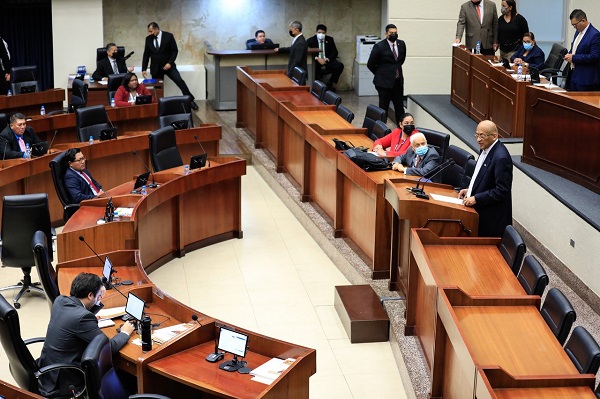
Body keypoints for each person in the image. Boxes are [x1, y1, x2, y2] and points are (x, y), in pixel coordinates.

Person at [37, 273, 135, 396]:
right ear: (90, 295)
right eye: (99, 296)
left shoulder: (60, 300)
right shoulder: (83, 318)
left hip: (48, 371)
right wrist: (125, 332)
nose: (100, 299)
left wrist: (97, 299)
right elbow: (109, 347)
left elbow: (83, 313)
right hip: (66, 378)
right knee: (126, 377)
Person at [459, 120, 513, 237]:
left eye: (482, 136)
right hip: (479, 212)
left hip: (491, 219)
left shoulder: (501, 158)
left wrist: (476, 198)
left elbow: (502, 190)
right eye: (477, 135)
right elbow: (483, 176)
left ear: (494, 136)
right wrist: (470, 189)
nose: (478, 139)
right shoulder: (486, 148)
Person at [142, 22, 198, 110]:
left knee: (179, 81)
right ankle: (158, 105)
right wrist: (144, 69)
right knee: (157, 88)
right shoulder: (148, 39)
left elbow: (174, 51)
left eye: (151, 31)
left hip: (169, 66)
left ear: (156, 29)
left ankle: (190, 100)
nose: (150, 33)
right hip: (156, 68)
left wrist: (169, 63)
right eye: (149, 32)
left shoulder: (168, 36)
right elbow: (146, 54)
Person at [367, 24, 406, 124]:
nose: (393, 35)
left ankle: (401, 130)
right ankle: (381, 130)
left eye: (395, 33)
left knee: (399, 108)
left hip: (397, 82)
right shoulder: (379, 46)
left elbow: (400, 61)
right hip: (383, 83)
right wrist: (380, 74)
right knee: (384, 108)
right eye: (391, 33)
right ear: (386, 34)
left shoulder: (401, 44)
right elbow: (370, 64)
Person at [564, 9, 600, 92]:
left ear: (583, 21)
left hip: (586, 80)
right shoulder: (578, 32)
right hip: (574, 76)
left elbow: (595, 56)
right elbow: (575, 48)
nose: (574, 27)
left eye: (575, 25)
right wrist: (569, 54)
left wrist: (574, 58)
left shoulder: (595, 35)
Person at [306, 24, 345, 91]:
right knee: (312, 68)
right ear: (316, 32)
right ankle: (316, 87)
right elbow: (308, 53)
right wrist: (317, 58)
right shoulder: (310, 41)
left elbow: (334, 52)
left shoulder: (330, 39)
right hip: (316, 62)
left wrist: (326, 59)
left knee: (339, 66)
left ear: (326, 33)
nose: (321, 34)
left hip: (327, 61)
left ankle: (331, 83)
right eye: (319, 32)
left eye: (323, 33)